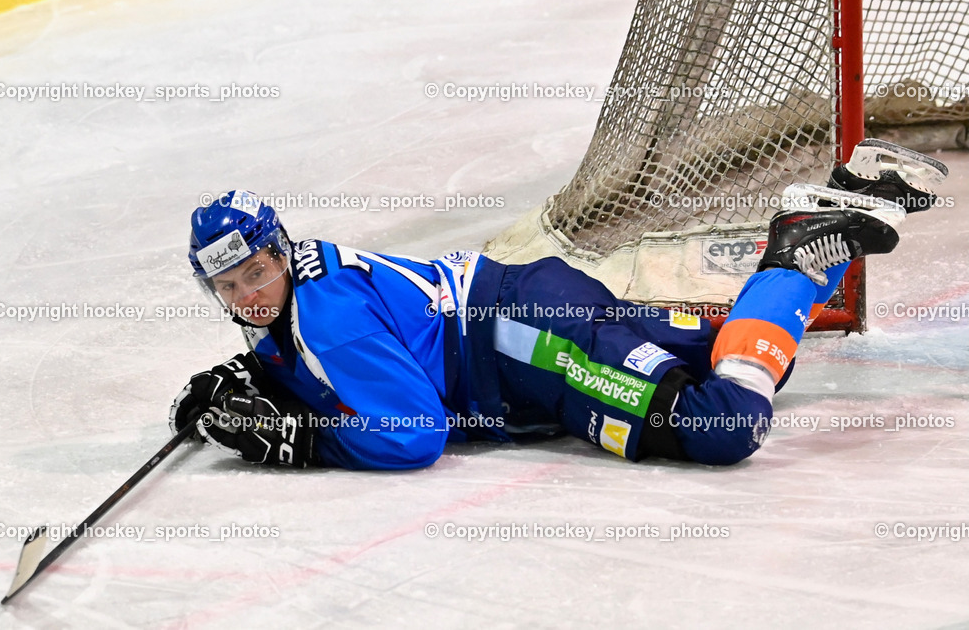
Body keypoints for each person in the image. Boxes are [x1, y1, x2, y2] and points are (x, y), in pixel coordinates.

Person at [169, 139, 947, 469]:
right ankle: (831, 213)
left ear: (279, 249)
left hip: (528, 346)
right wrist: (263, 381)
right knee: (718, 350)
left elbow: (414, 435)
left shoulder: (325, 317)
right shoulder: (301, 297)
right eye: (229, 287)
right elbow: (317, 356)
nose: (249, 296)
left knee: (724, 422)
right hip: (528, 307)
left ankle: (798, 250)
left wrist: (298, 442)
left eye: (256, 272)